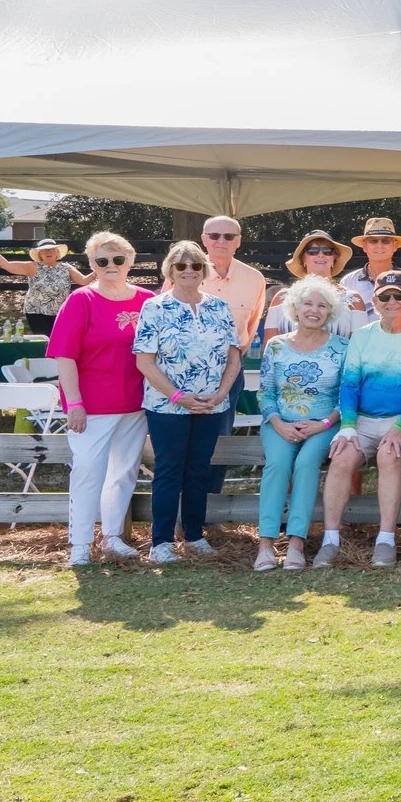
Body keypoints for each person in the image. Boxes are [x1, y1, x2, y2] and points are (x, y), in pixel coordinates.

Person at [135, 239, 244, 564]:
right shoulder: (155, 307)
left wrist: (223, 392)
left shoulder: (218, 307)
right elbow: (145, 362)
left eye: (195, 265)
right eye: (180, 265)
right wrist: (179, 397)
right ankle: (161, 542)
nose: (188, 271)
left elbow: (233, 356)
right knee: (169, 470)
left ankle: (194, 536)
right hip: (168, 407)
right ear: (170, 269)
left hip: (211, 404)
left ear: (203, 270)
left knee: (199, 470)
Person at [320, 271, 401, 568]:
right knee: (342, 456)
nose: (392, 301)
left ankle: (386, 539)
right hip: (362, 420)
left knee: (389, 455)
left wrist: (400, 428)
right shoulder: (362, 336)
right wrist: (346, 427)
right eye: (385, 296)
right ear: (375, 301)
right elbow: (349, 385)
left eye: (399, 295)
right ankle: (330, 539)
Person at [48, 234, 151, 567]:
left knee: (123, 474)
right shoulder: (81, 300)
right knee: (88, 473)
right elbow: (64, 356)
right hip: (92, 407)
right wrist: (74, 403)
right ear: (91, 264)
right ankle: (80, 543)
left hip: (136, 405)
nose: (111, 266)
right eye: (102, 261)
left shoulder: (149, 300)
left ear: (130, 261)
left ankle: (112, 537)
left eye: (118, 259)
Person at [253, 277, 349, 571]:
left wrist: (324, 423)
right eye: (308, 303)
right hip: (280, 423)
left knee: (307, 464)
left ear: (329, 312)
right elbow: (265, 392)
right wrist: (278, 422)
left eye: (322, 305)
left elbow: (346, 395)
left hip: (323, 425)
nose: (314, 310)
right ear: (295, 307)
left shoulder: (342, 347)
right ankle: (266, 544)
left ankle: (296, 543)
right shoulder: (277, 346)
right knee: (278, 464)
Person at [263, 230, 367, 338]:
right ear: (303, 258)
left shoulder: (354, 300)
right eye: (313, 251)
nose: (321, 255)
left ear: (334, 258)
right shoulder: (281, 298)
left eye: (327, 251)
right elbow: (270, 347)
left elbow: (361, 346)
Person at [0, 235, 85, 333]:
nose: (48, 252)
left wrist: (99, 267)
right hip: (36, 312)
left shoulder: (67, 268)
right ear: (40, 254)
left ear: (57, 252)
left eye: (51, 249)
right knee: (46, 342)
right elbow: (7, 265)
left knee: (60, 341)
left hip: (60, 313)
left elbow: (84, 281)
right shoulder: (32, 267)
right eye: (44, 250)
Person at [195, 214, 268, 347]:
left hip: (234, 362)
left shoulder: (255, 279)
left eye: (228, 236)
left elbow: (251, 326)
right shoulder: (182, 273)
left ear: (238, 241)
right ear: (204, 239)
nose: (221, 241)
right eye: (214, 236)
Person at [341, 217, 401, 304]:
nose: (379, 245)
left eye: (386, 240)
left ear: (395, 246)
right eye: (373, 241)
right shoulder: (348, 282)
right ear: (365, 246)